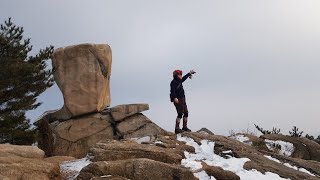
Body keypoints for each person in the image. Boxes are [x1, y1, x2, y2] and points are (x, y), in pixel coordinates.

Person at [170, 69, 196, 134]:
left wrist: (189, 73)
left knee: (186, 112)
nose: (181, 75)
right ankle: (177, 128)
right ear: (176, 75)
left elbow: (184, 78)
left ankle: (184, 127)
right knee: (180, 113)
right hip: (178, 99)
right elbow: (172, 91)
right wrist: (175, 98)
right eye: (180, 74)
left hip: (183, 99)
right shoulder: (173, 82)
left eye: (181, 74)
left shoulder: (179, 81)